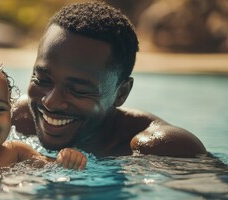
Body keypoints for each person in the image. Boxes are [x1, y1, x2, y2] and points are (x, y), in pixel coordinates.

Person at [11, 1, 207, 158]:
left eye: (78, 90)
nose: (50, 102)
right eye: (42, 80)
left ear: (121, 93)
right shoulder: (15, 119)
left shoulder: (159, 148)